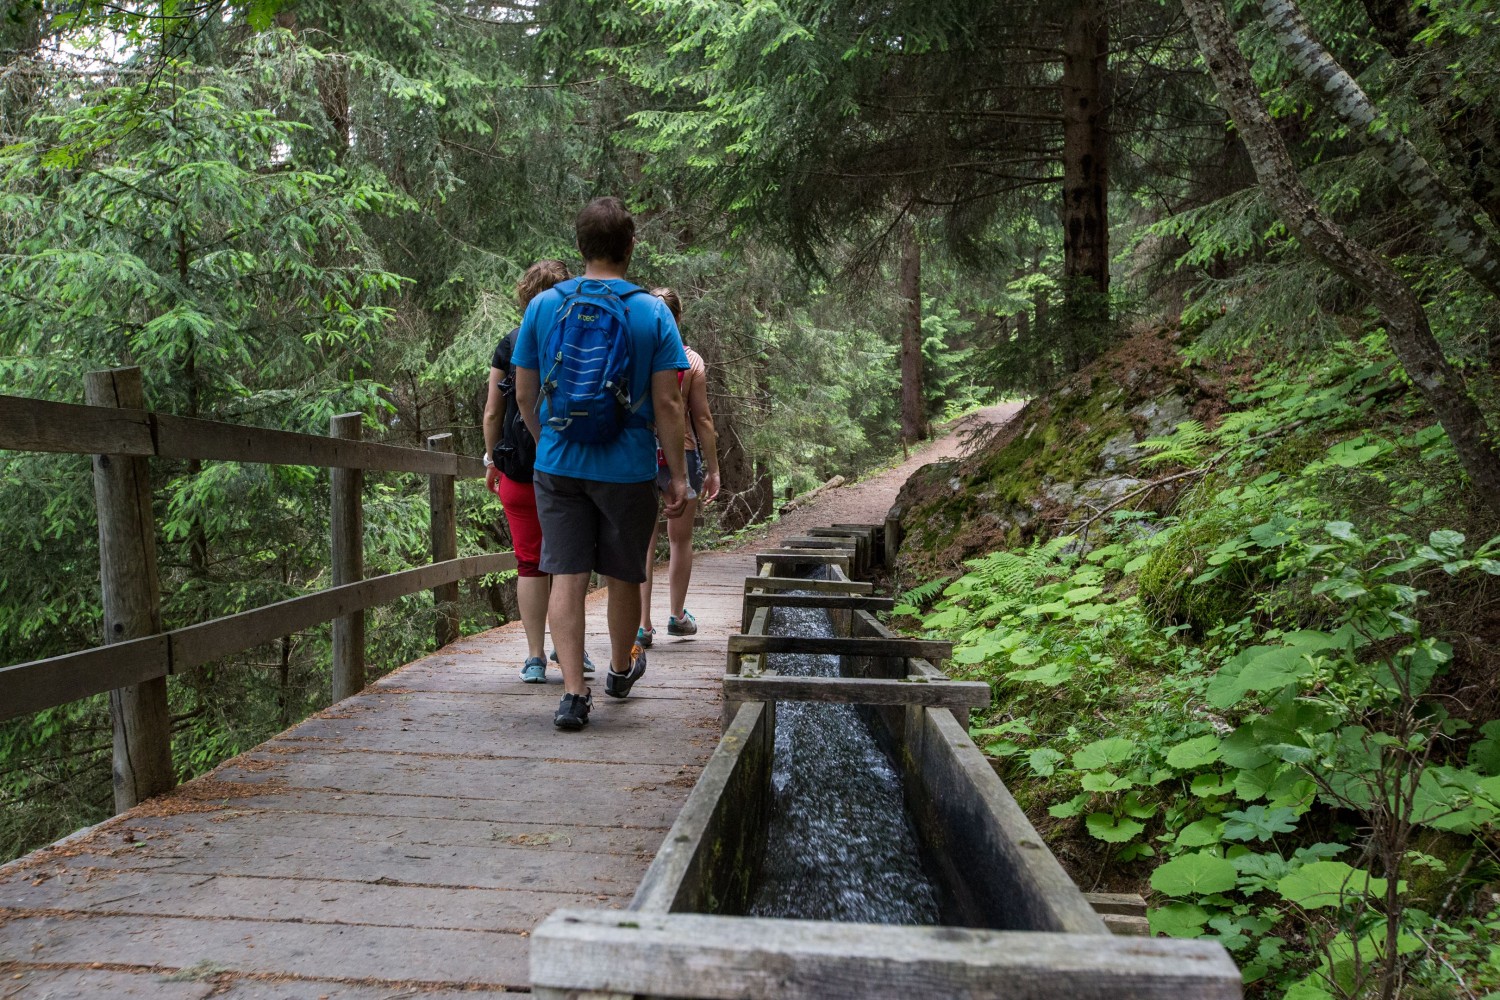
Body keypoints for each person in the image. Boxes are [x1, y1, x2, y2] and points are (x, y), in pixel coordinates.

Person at [512, 197, 691, 731]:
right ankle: (617, 670)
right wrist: (677, 475)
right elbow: (668, 404)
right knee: (620, 574)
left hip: (559, 464)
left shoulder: (544, 307)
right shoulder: (652, 312)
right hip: (628, 466)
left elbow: (523, 395)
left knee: (565, 574)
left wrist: (549, 442)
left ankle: (571, 694)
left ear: (580, 246)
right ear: (630, 246)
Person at [482, 260, 597, 683]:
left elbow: (494, 411)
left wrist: (492, 459)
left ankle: (534, 658)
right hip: (571, 465)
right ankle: (573, 652)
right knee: (570, 563)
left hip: (519, 468)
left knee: (530, 564)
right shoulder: (582, 334)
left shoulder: (510, 342)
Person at [637, 288, 720, 647]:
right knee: (679, 539)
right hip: (681, 454)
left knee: (641, 541)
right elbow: (702, 419)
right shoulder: (691, 361)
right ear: (679, 317)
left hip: (639, 453)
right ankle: (677, 616)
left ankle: (642, 624)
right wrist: (713, 468)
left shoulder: (637, 356)